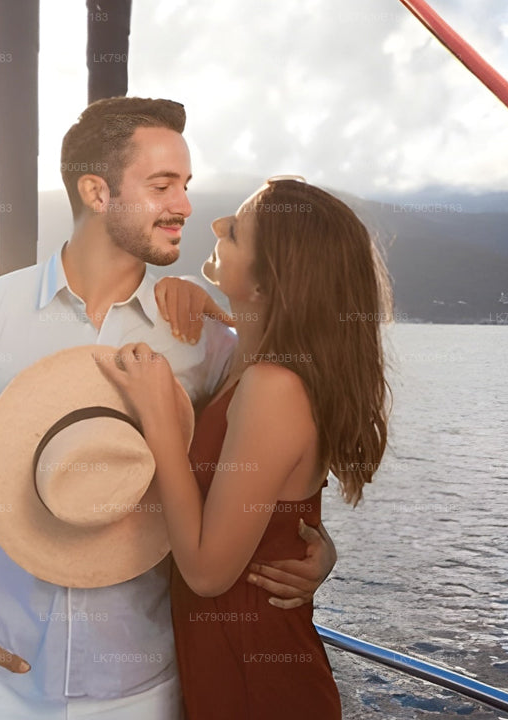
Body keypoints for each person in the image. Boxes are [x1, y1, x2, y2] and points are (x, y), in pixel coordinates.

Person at [0, 98, 339, 719]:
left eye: (186, 185)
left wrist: (318, 551)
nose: (185, 206)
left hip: (147, 691)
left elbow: (261, 473)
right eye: (162, 186)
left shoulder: (208, 341)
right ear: (97, 192)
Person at [96, 177, 392, 719]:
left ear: (266, 282)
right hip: (231, 665)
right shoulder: (249, 365)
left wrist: (159, 420)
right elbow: (280, 514)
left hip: (259, 684)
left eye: (234, 231)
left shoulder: (274, 386)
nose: (214, 226)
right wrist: (187, 287)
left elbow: (208, 574)